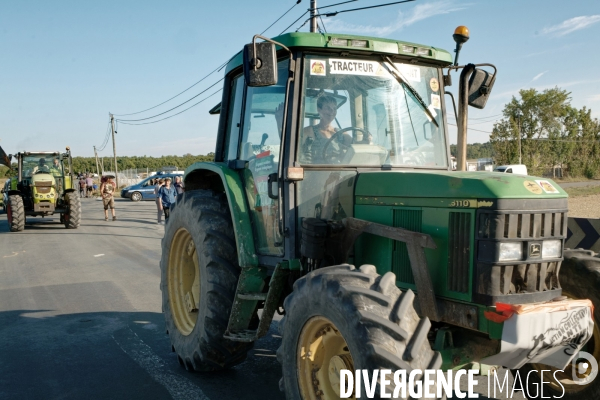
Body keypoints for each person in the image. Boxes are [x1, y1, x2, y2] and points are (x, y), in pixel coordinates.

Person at [300, 95, 353, 164]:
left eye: (334, 108)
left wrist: (367, 140)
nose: (332, 111)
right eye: (328, 108)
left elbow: (356, 146)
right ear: (319, 110)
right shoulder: (309, 131)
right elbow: (292, 148)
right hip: (315, 173)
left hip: (338, 173)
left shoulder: (341, 133)